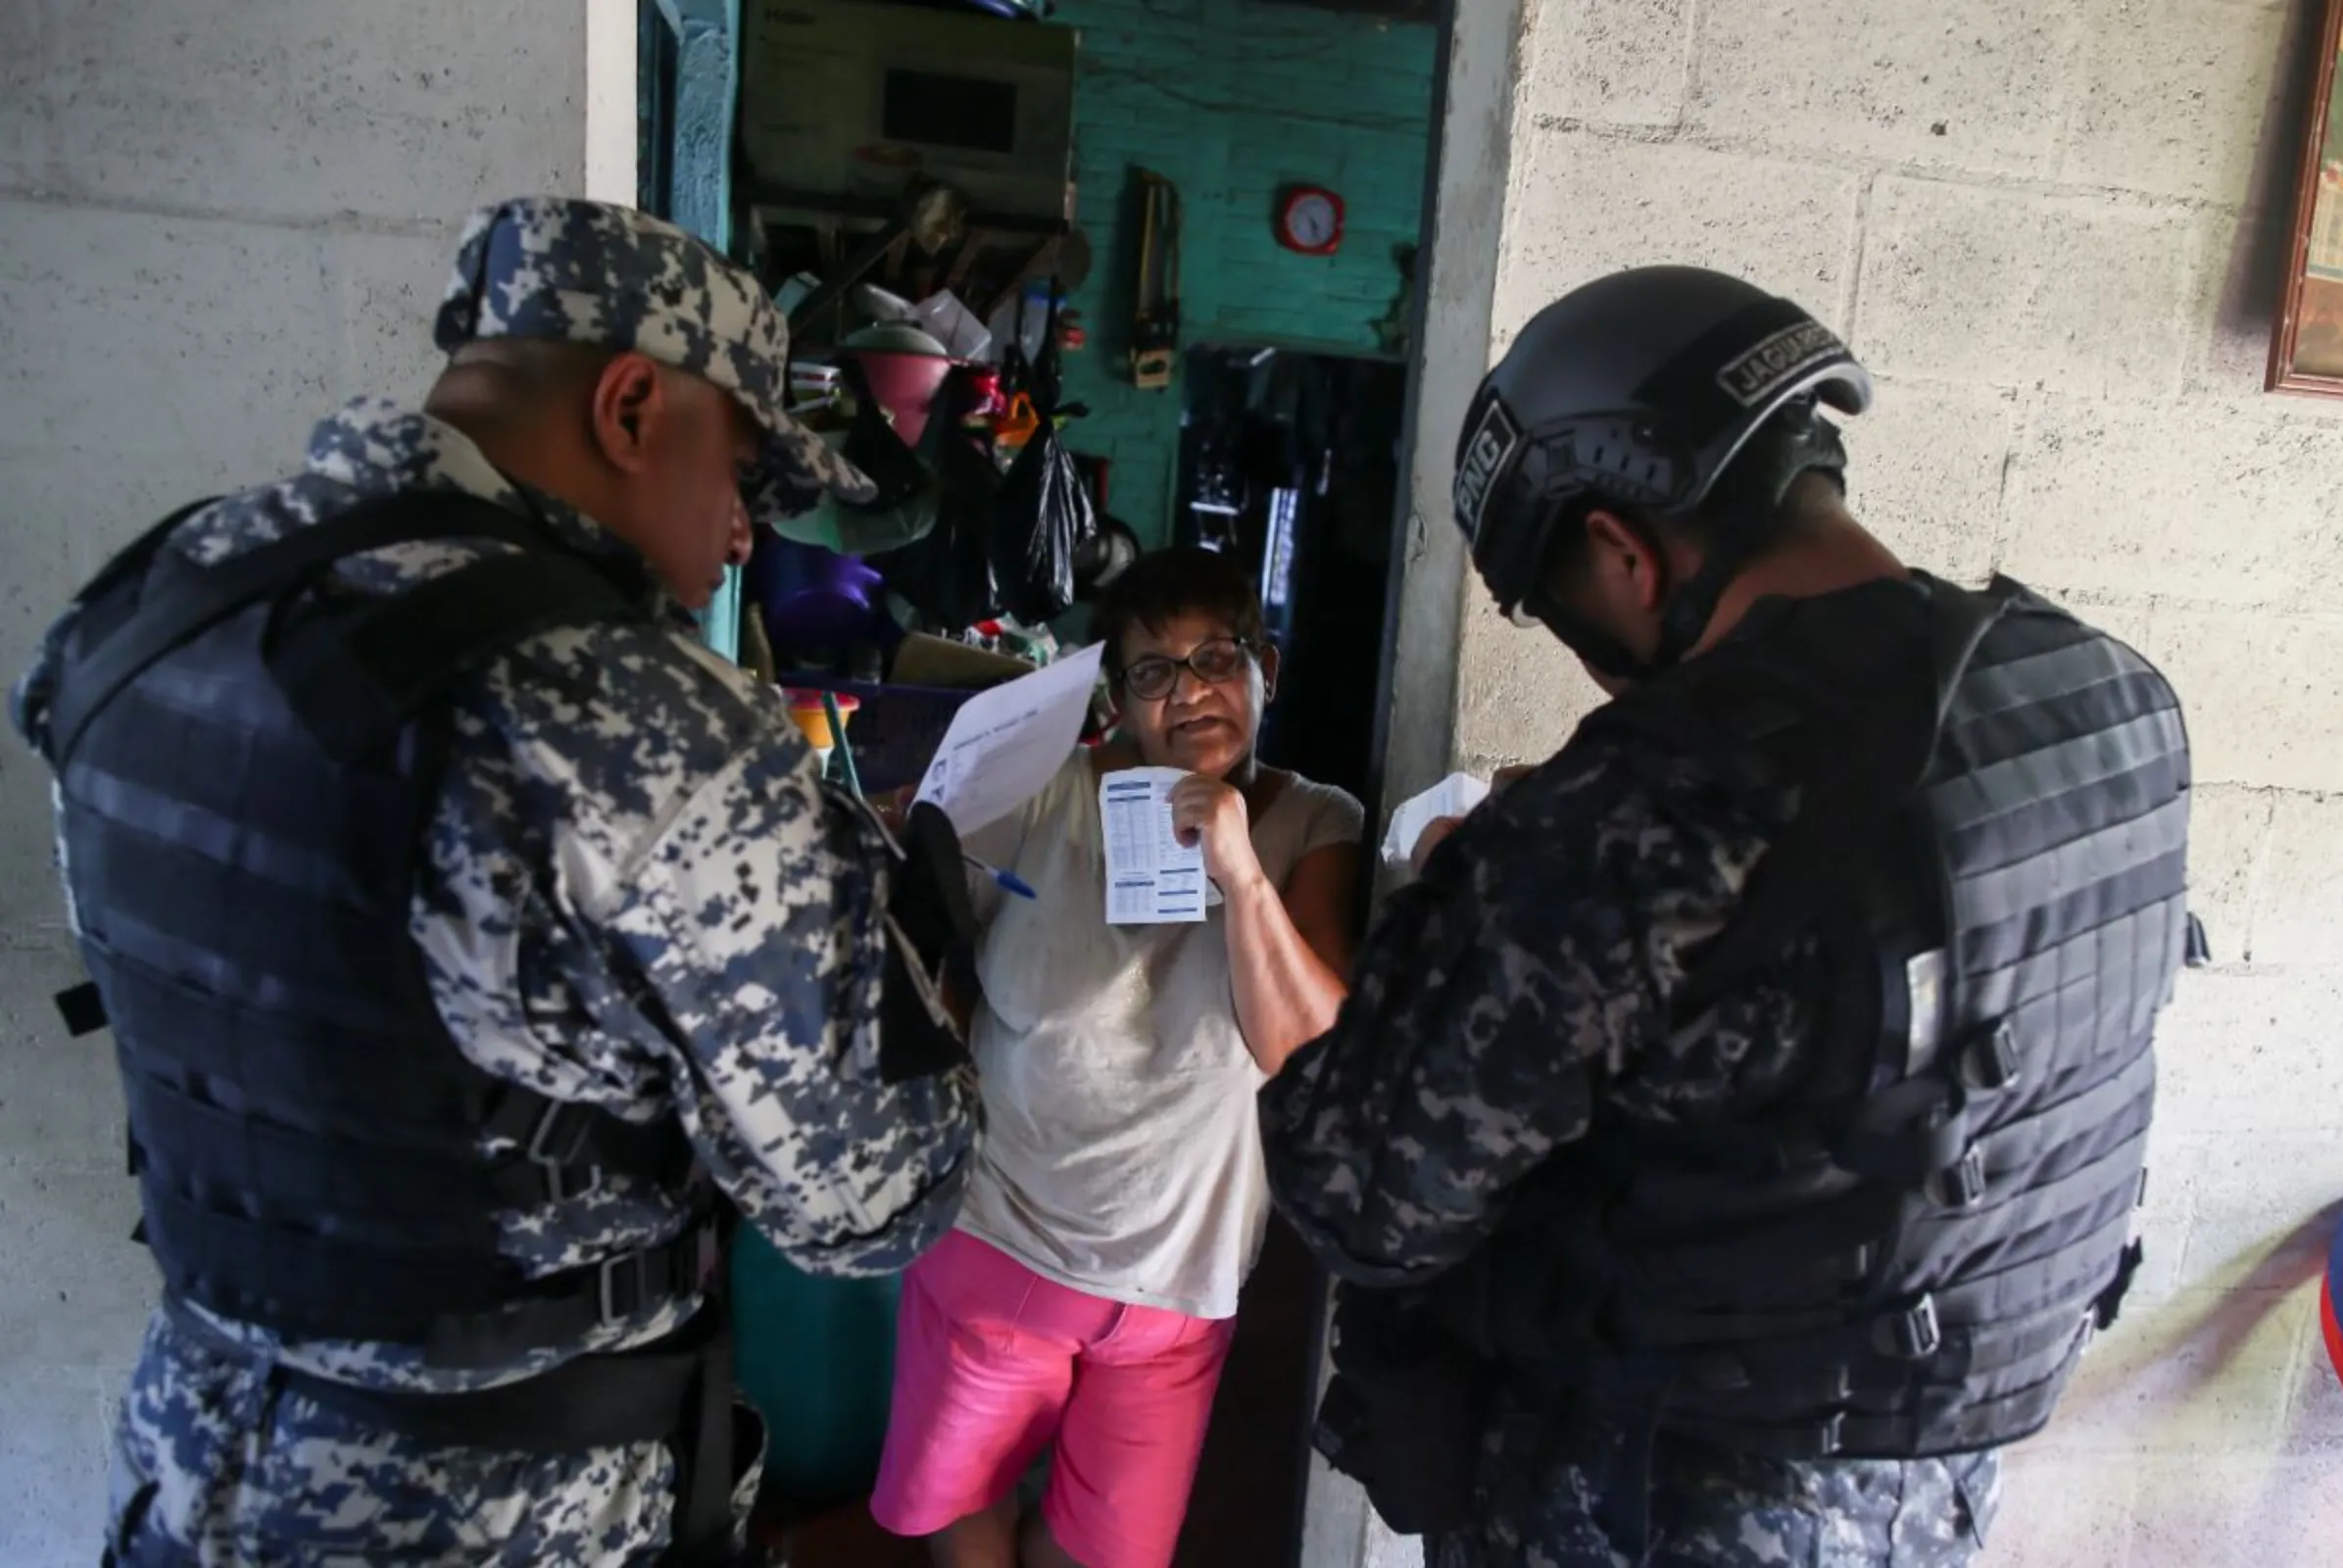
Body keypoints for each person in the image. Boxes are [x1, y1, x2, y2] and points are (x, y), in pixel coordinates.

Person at [12, 197, 982, 1567]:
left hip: (191, 1462)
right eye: (746, 476)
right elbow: (873, 1200)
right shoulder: (654, 726)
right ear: (633, 405)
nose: (746, 533)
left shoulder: (148, 604)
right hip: (499, 1511)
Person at [1259, 266, 2202, 1566]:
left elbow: (1363, 1188)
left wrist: (1452, 905)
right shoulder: (2106, 698)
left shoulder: (1667, 797)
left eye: (1567, 612)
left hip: (1661, 1501)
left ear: (1624, 554)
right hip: (1937, 1494)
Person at [869, 547, 1365, 1568]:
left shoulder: (1317, 821)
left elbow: (1307, 1049)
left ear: (1265, 665)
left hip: (1177, 1289)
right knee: (963, 1506)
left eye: (1218, 658)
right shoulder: (1041, 796)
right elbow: (925, 938)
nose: (1190, 693)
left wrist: (1239, 869)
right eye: (1153, 672)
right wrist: (903, 826)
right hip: (999, 1243)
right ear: (1117, 700)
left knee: (1109, 1554)